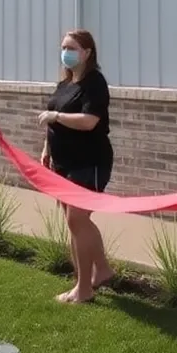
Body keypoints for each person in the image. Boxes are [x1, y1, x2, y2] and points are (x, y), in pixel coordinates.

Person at [38, 28, 115, 303]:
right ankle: (102, 270)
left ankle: (83, 289)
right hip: (62, 164)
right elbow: (51, 123)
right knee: (76, 223)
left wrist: (57, 115)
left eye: (71, 48)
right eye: (63, 47)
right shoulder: (64, 84)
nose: (65, 53)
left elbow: (89, 120)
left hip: (89, 162)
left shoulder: (95, 83)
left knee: (77, 219)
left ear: (87, 53)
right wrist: (46, 150)